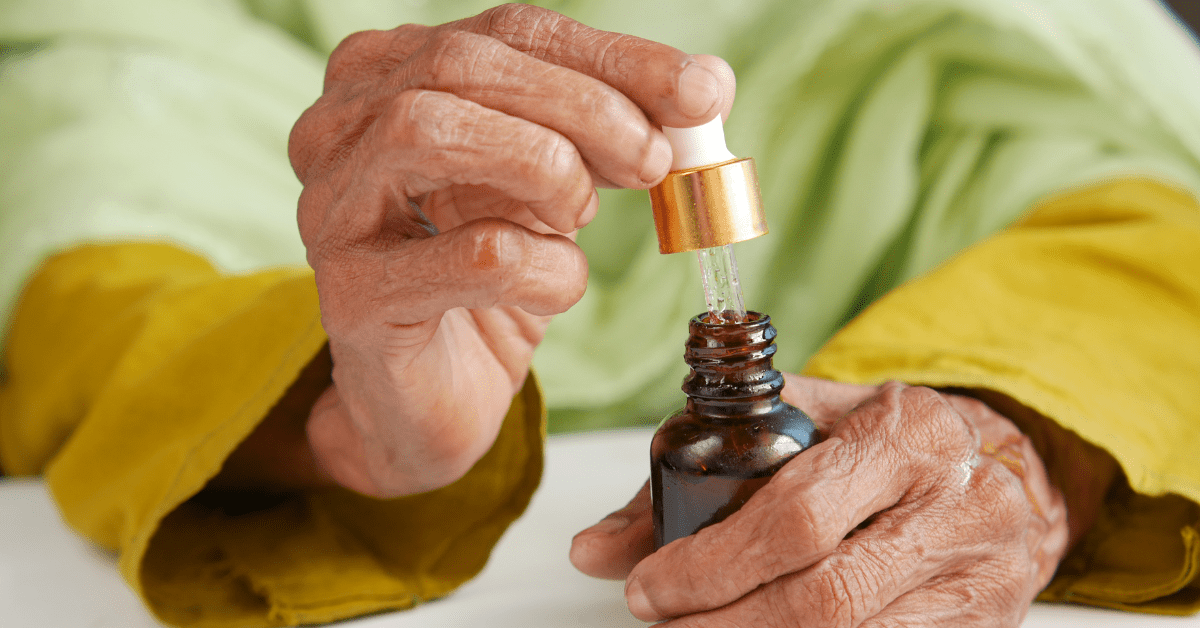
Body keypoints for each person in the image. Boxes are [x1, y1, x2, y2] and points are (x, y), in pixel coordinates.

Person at [1, 0, 1198, 626]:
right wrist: (327, 405)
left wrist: (1013, 432)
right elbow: (84, 211)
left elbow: (1144, 218)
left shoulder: (974, 41)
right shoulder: (150, 54)